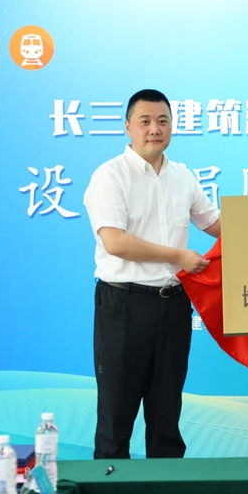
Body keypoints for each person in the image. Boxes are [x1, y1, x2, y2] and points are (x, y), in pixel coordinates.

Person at [83, 89, 221, 459]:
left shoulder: (182, 176)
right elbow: (115, 241)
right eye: (144, 121)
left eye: (162, 121)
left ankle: (167, 486)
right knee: (116, 413)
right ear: (128, 127)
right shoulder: (110, 175)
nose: (154, 129)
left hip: (173, 305)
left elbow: (214, 224)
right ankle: (111, 486)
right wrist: (178, 256)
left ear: (172, 126)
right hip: (123, 304)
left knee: (166, 412)